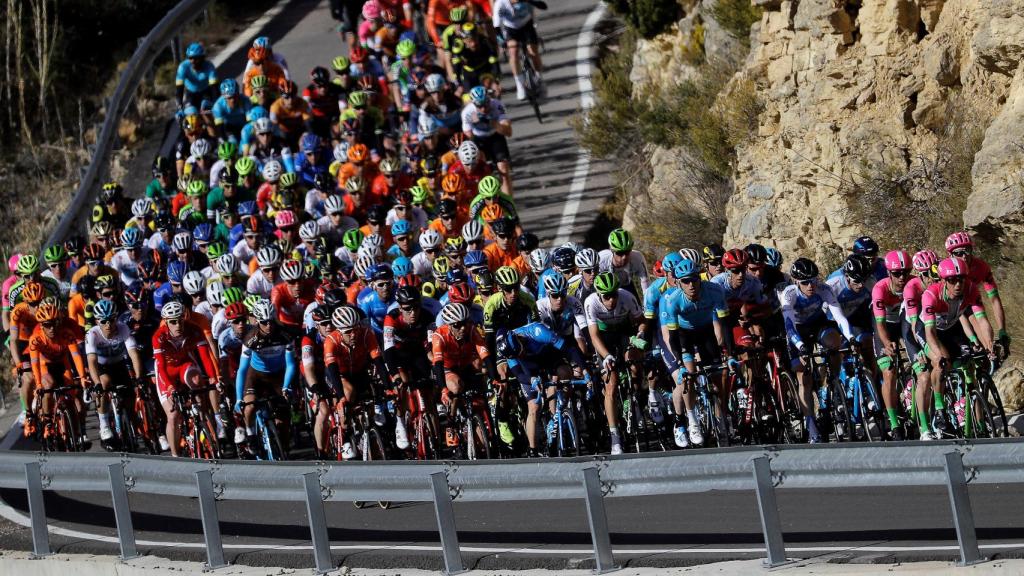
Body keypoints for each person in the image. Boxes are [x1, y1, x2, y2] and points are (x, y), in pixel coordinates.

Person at [780, 258, 856, 443]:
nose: (810, 285)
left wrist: (851, 338)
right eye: (805, 282)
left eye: (813, 280)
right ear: (796, 281)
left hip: (818, 324)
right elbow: (789, 327)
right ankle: (811, 426)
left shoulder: (824, 289)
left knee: (835, 342)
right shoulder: (789, 294)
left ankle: (834, 383)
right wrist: (800, 347)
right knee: (803, 379)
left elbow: (839, 317)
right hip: (798, 332)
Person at [919, 256, 995, 439]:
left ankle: (979, 422)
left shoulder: (971, 290)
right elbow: (930, 333)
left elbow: (982, 320)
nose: (958, 284)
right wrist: (938, 355)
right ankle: (939, 408)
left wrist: (989, 343)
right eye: (952, 280)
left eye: (961, 279)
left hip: (951, 328)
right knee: (942, 361)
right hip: (928, 331)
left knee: (970, 364)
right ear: (944, 281)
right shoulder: (931, 295)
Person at [584, 272, 644, 455]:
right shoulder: (591, 302)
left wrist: (640, 333)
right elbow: (594, 336)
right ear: (599, 294)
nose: (611, 300)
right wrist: (606, 356)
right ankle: (615, 437)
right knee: (611, 383)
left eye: (614, 295)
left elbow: (641, 321)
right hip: (604, 337)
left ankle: (634, 399)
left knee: (635, 364)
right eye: (606, 296)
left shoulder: (627, 297)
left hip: (624, 332)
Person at [152, 301, 220, 457]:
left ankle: (203, 424)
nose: (178, 325)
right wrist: (170, 387)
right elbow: (161, 366)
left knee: (198, 384)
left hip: (184, 364)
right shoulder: (158, 336)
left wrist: (213, 378)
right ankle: (175, 456)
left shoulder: (194, 329)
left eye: (180, 320)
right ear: (165, 322)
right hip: (167, 371)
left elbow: (205, 357)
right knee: (173, 415)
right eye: (173, 322)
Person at [234, 298, 296, 454]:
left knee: (283, 420)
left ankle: (284, 450)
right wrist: (239, 398)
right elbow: (242, 369)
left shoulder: (285, 334)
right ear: (257, 321)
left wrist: (286, 386)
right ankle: (251, 435)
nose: (269, 326)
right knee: (249, 406)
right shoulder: (250, 338)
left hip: (278, 376)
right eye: (264, 322)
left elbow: (290, 364)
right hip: (255, 376)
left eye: (271, 321)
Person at [85, 299, 144, 448]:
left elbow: (134, 354)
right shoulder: (92, 334)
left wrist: (139, 377)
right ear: (97, 321)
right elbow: (91, 361)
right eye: (103, 321)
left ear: (116, 318)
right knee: (104, 383)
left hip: (119, 364)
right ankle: (104, 425)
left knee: (129, 399)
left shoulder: (123, 328)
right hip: (101, 366)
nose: (108, 325)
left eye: (111, 320)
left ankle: (132, 427)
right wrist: (97, 383)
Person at [493, 0, 544, 100]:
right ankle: (520, 85)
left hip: (527, 26)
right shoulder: (501, 3)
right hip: (511, 29)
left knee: (533, 51)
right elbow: (497, 25)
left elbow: (543, 6)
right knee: (513, 52)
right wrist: (501, 40)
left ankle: (539, 77)